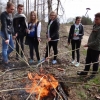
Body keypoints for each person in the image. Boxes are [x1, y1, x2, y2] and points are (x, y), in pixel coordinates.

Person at [77, 13, 100, 78]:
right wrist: (89, 45)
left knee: (95, 61)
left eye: (97, 19)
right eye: (95, 19)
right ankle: (85, 72)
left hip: (96, 48)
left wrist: (88, 44)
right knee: (88, 60)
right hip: (90, 47)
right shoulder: (95, 25)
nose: (95, 20)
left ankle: (93, 74)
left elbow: (98, 41)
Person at [0, 2, 15, 67]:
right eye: (11, 9)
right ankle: (5, 62)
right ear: (7, 8)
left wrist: (14, 34)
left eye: (13, 9)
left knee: (12, 47)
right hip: (4, 32)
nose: (12, 10)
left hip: (9, 33)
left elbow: (11, 26)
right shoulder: (3, 14)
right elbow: (5, 26)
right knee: (5, 48)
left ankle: (3, 56)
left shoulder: (10, 15)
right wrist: (6, 38)